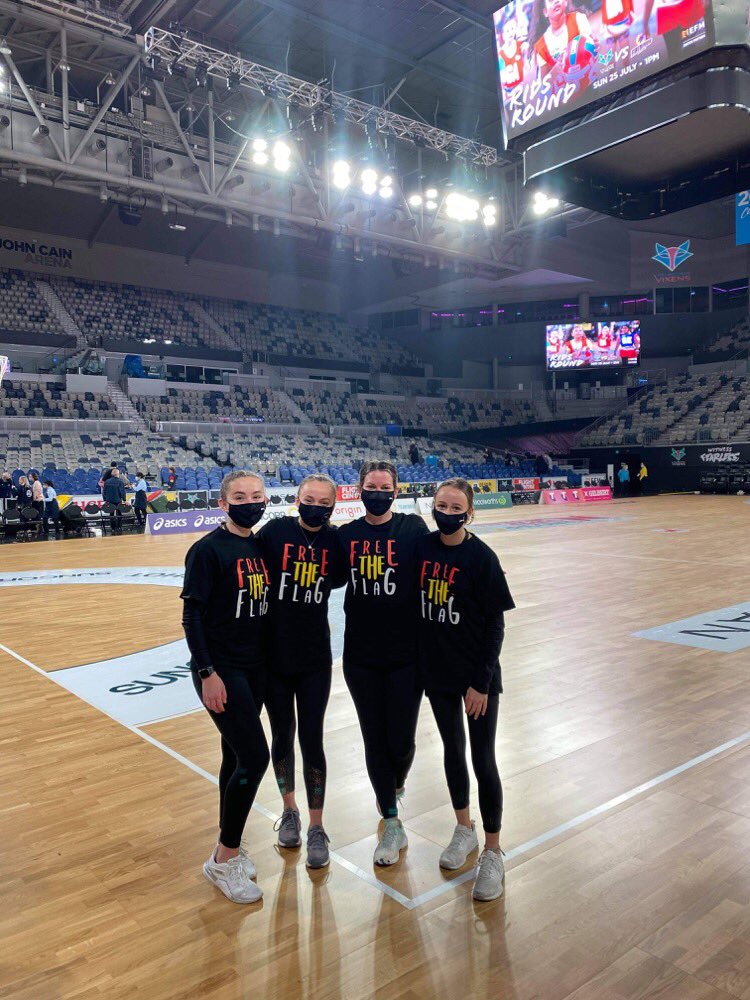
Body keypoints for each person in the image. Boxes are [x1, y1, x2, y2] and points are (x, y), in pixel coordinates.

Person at [417, 479, 515, 901]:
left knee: (483, 759)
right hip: (438, 672)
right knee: (452, 751)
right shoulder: (423, 548)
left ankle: (492, 851)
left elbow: (495, 626)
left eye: (456, 507)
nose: (447, 512)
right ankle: (464, 829)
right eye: (441, 505)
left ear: (469, 513)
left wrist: (481, 682)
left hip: (477, 678)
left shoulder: (482, 557)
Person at [181, 470, 271, 904]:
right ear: (222, 503)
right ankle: (223, 858)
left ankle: (228, 843)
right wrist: (207, 673)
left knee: (233, 756)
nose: (249, 502)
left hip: (255, 669)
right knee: (255, 757)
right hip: (222, 670)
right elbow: (191, 617)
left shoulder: (259, 545)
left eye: (256, 495)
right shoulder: (207, 550)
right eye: (239, 496)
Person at [338, 460, 429, 866]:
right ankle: (392, 822)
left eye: (384, 486)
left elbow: (439, 566)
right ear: (359, 489)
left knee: (402, 741)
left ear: (396, 489)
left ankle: (396, 784)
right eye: (371, 486)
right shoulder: (347, 536)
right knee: (374, 739)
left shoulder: (412, 528)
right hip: (361, 657)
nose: (377, 492)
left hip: (407, 654)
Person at [257, 474, 346, 869]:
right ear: (297, 499)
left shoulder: (335, 541)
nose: (315, 506)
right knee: (282, 735)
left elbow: (340, 578)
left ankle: (317, 826)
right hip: (274, 656)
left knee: (312, 739)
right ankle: (289, 810)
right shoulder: (274, 532)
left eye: (324, 502)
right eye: (309, 499)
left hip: (314, 657)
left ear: (333, 505)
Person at [102, 467, 127, 532]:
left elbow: (104, 492)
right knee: (119, 514)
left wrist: (105, 499)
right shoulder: (120, 482)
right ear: (117, 474)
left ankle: (113, 528)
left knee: (111, 514)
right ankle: (119, 527)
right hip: (118, 500)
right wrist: (124, 500)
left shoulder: (107, 482)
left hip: (109, 501)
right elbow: (122, 492)